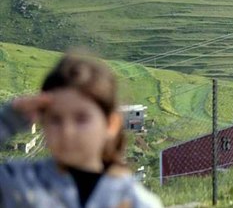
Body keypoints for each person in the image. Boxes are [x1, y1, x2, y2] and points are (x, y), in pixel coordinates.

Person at [0, 54, 162, 208]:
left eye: (81, 119)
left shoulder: (135, 202)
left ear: (111, 124)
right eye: (56, 119)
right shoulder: (17, 183)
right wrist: (7, 121)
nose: (67, 131)